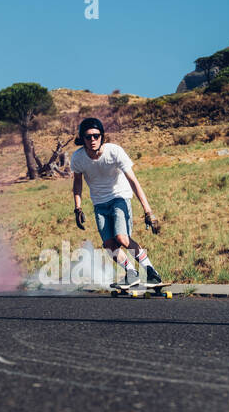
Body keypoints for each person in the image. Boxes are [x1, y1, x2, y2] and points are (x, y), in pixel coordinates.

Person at [70, 117, 165, 288]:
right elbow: (77, 183)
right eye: (88, 137)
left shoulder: (114, 151)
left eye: (96, 136)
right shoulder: (78, 158)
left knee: (122, 238)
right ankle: (131, 274)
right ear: (82, 139)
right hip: (99, 204)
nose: (92, 140)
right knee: (109, 245)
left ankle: (151, 271)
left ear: (102, 137)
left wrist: (148, 211)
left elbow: (133, 181)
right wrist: (77, 208)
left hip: (119, 197)